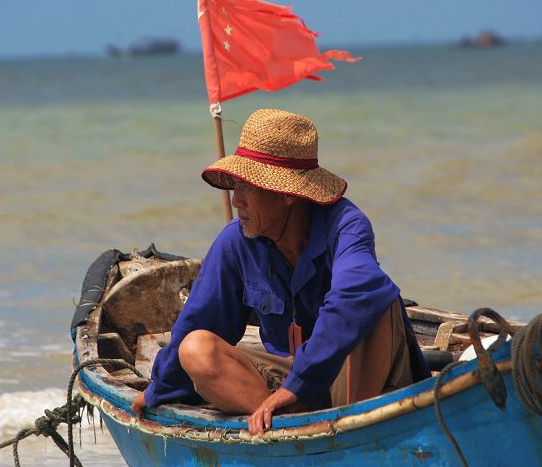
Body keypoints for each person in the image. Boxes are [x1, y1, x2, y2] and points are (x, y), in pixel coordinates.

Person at [131, 108, 429, 435]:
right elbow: (200, 320)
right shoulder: (236, 241)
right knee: (195, 348)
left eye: (247, 188)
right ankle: (287, 426)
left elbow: (355, 293)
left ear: (287, 193)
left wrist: (299, 384)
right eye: (234, 187)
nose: (235, 201)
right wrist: (158, 391)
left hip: (358, 382)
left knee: (374, 301)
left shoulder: (347, 226)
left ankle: (349, 434)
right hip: (289, 380)